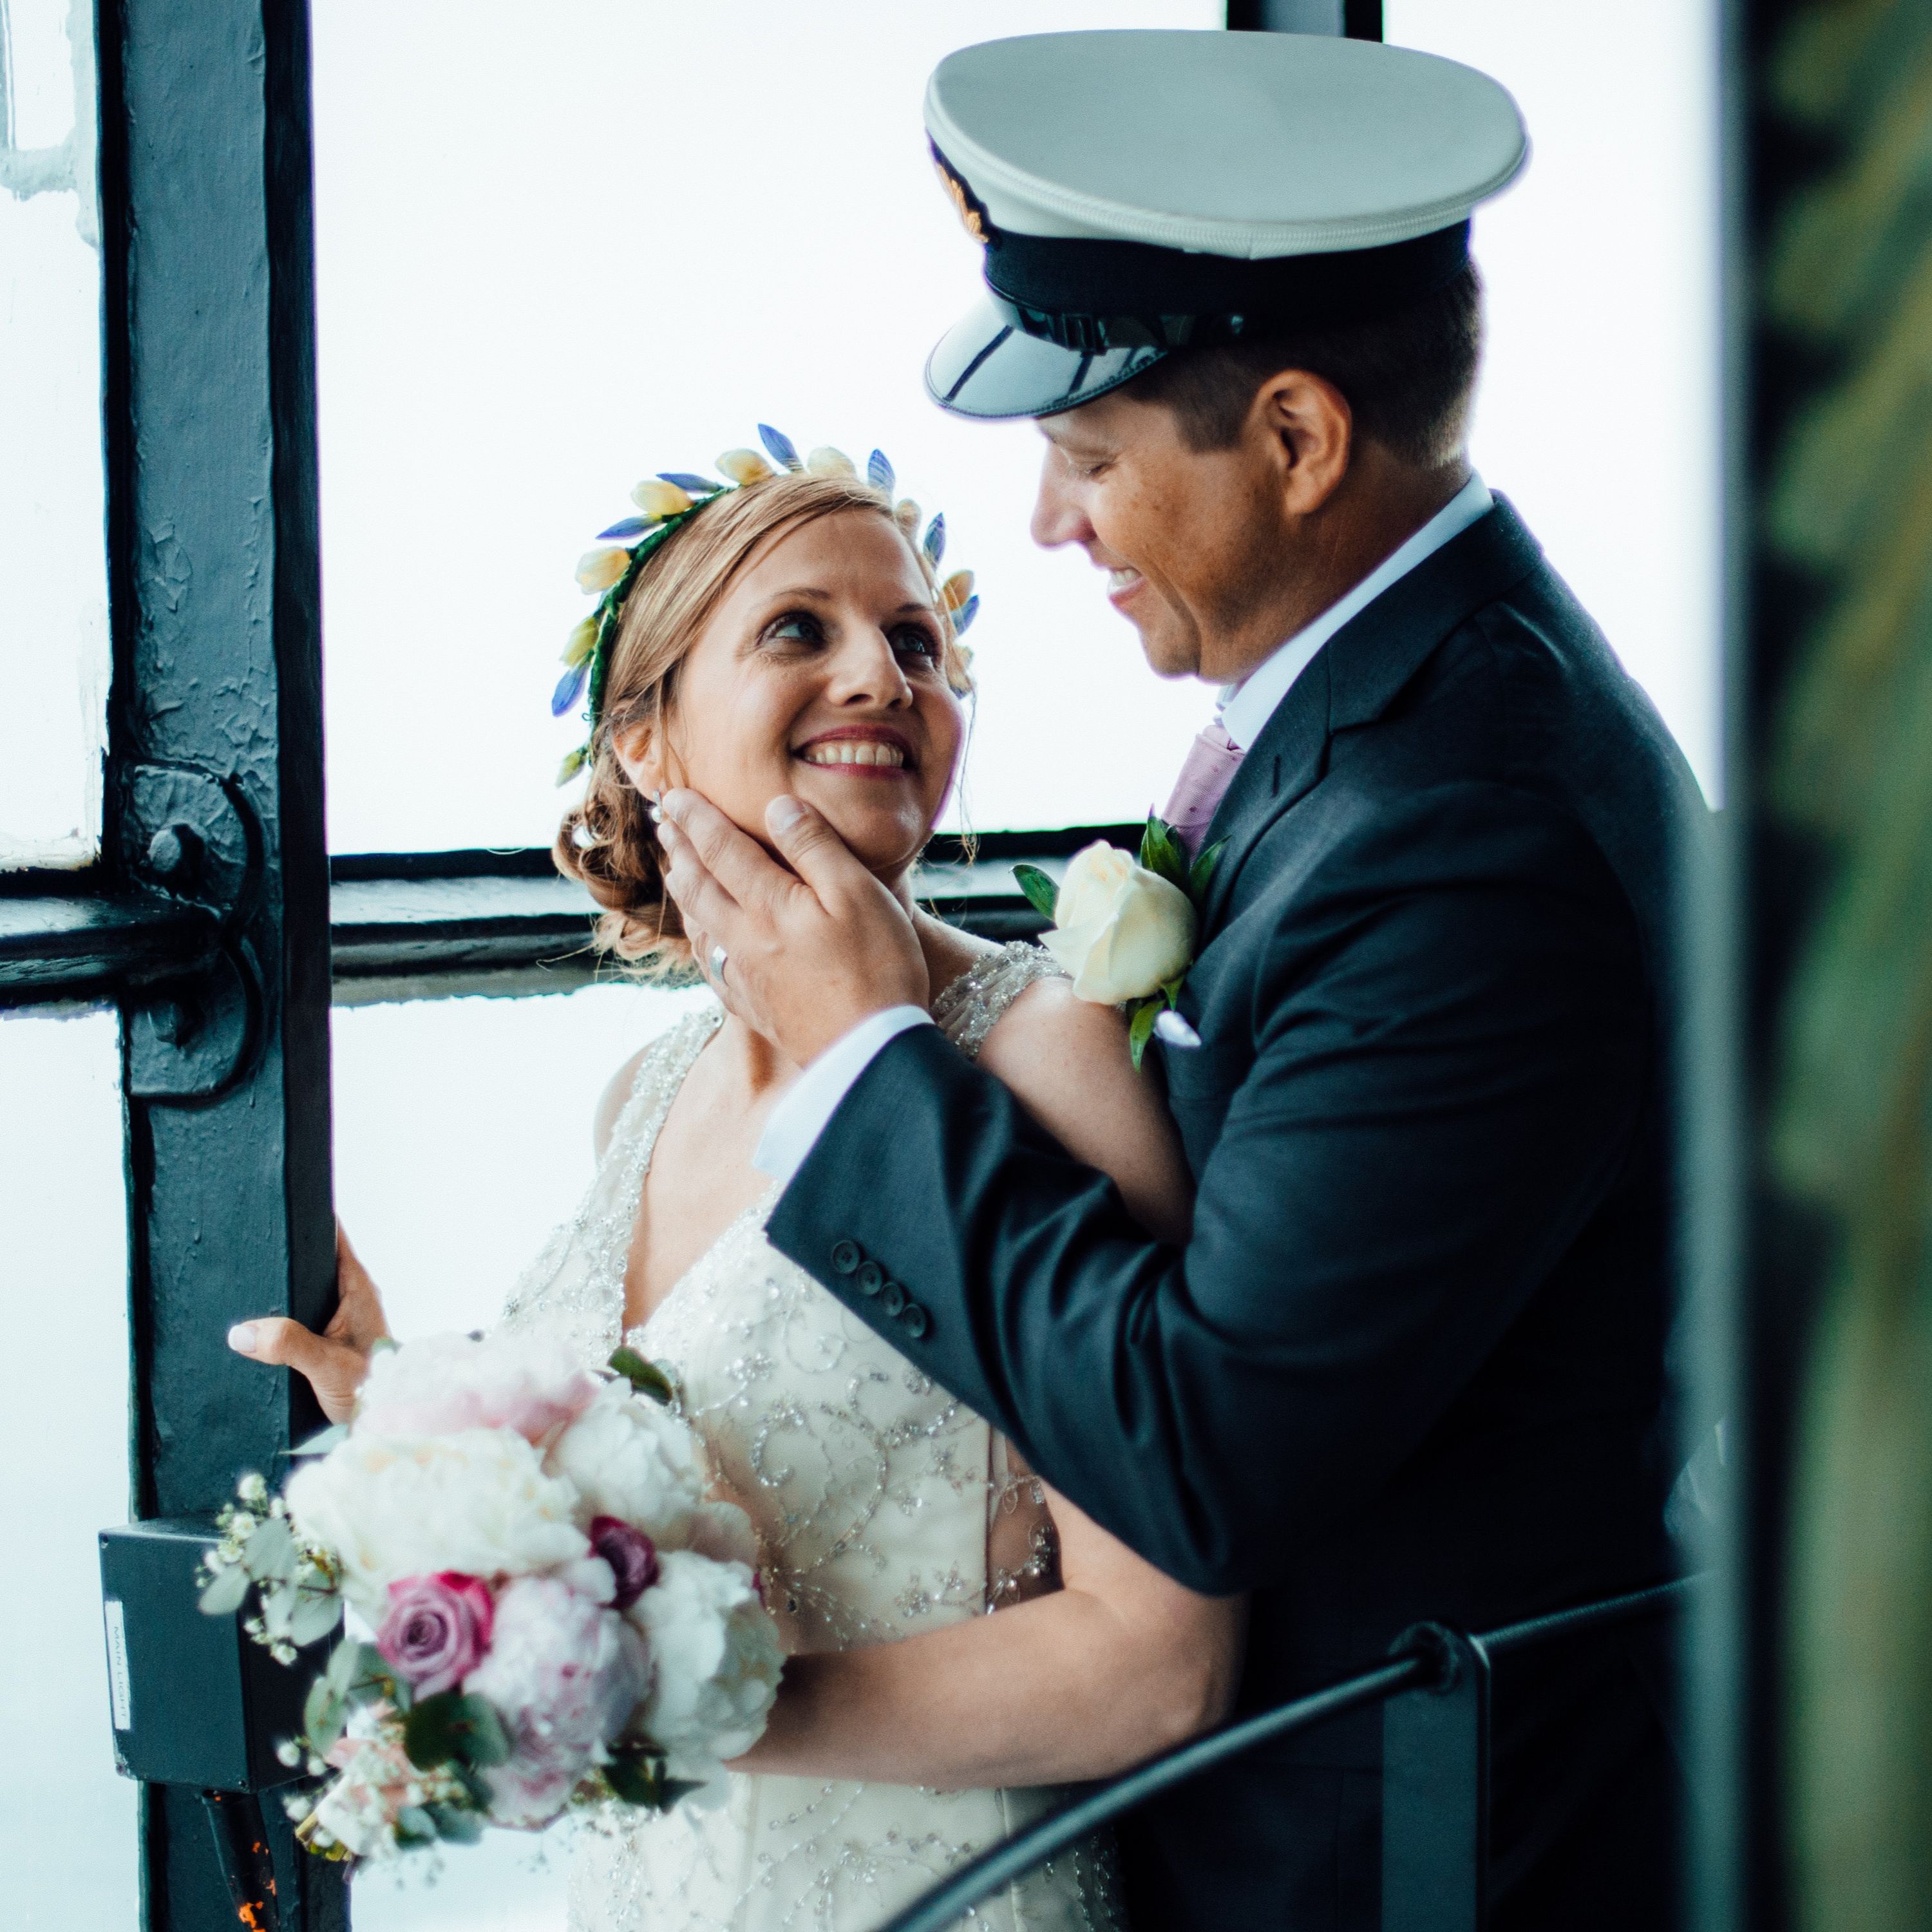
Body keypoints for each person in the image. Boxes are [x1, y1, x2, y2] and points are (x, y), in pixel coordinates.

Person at [651, 29, 1702, 1932]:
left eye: (1084, 460)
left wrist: (866, 1057)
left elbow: (1209, 1457)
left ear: (1297, 440)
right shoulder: (1372, 724)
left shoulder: (1472, 830)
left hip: (1416, 1852)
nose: (1048, 528)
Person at [231, 460, 1241, 1931]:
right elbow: (655, 1503)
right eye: (798, 631)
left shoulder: (1052, 1055)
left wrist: (678, 1711)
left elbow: (1160, 1668)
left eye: (917, 644)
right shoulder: (640, 1093)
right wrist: (414, 1427)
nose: (878, 676)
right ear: (645, 738)